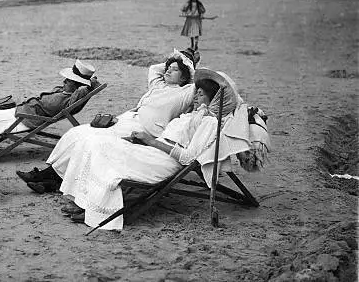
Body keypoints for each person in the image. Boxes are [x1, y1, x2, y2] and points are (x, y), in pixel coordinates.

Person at [19, 69, 253, 230]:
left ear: (212, 99)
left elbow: (188, 157)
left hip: (165, 159)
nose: (196, 96)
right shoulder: (193, 115)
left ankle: (98, 211)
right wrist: (144, 140)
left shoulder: (209, 122)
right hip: (156, 150)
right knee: (97, 142)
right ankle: (89, 206)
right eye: (197, 92)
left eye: (201, 94)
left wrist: (149, 141)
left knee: (102, 148)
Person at [17, 48, 198, 191]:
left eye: (174, 71)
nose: (167, 71)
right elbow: (154, 69)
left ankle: (49, 179)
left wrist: (188, 63)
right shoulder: (158, 84)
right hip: (127, 120)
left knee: (90, 140)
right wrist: (175, 58)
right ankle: (50, 177)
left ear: (184, 76)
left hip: (144, 129)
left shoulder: (185, 93)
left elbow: (202, 82)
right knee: (77, 133)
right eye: (168, 68)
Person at [0, 60, 99, 139]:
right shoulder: (65, 93)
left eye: (68, 81)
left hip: (24, 118)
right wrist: (89, 87)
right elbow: (83, 91)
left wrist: (88, 88)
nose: (64, 81)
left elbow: (81, 94)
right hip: (20, 112)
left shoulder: (69, 99)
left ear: (77, 85)